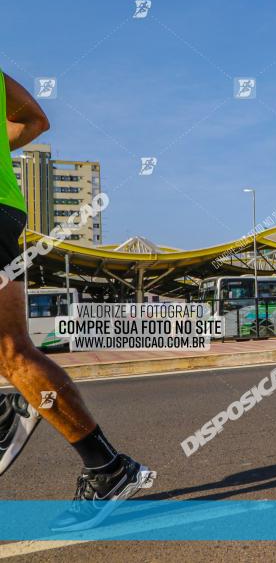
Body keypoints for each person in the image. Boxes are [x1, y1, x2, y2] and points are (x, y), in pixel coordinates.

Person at [0, 67, 155, 531]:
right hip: (6, 209)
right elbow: (36, 122)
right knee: (10, 347)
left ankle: (107, 468)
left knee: (10, 350)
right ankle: (19, 410)